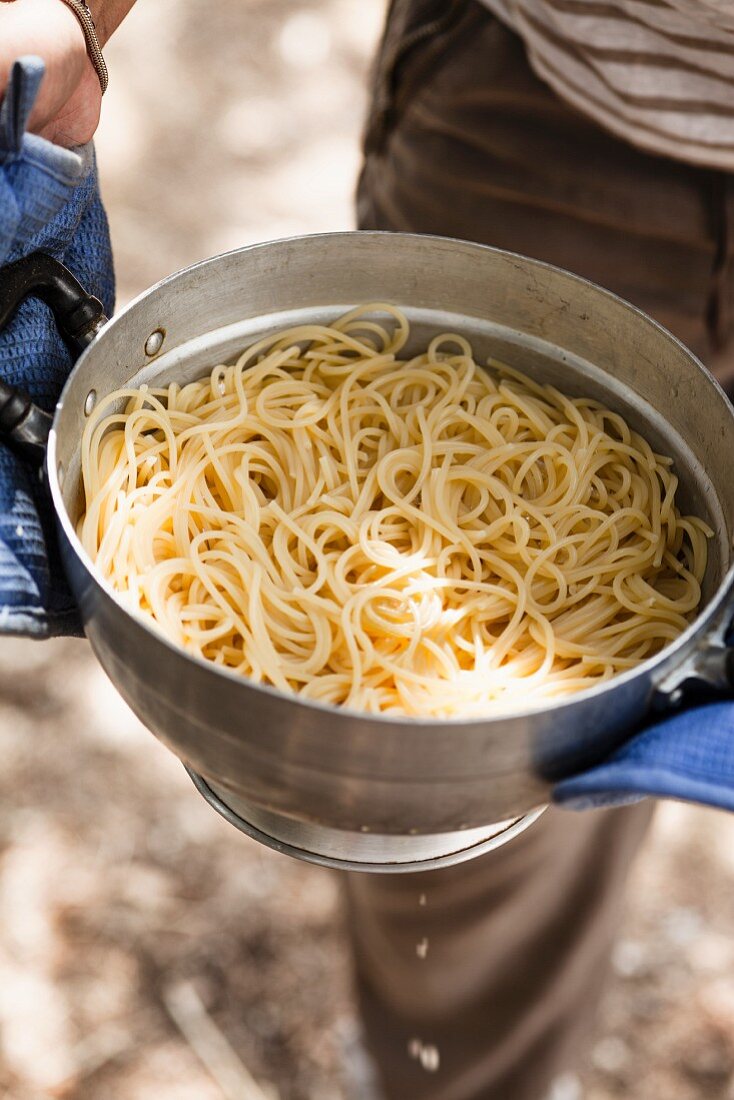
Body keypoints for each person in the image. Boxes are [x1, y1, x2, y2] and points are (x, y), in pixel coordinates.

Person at [2, 1, 733, 1098]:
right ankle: (456, 1075)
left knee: (621, 687)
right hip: (551, 100)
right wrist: (74, 14)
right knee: (478, 790)